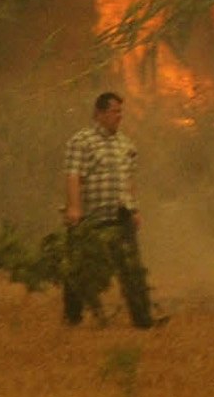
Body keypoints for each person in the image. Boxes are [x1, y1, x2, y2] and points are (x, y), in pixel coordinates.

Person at [62, 90, 155, 328]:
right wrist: (74, 208)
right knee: (80, 269)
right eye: (114, 111)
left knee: (132, 270)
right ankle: (73, 317)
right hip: (90, 218)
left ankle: (143, 321)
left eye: (120, 112)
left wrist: (134, 209)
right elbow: (73, 176)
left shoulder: (125, 144)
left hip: (120, 216)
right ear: (99, 113)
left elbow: (129, 179)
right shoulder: (81, 141)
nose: (119, 116)